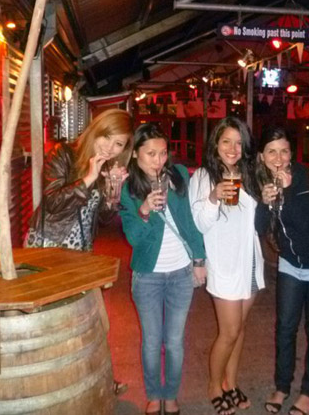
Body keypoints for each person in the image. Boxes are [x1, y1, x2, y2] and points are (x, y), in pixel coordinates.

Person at [23, 107, 133, 396]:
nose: (110, 147)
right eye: (107, 137)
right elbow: (51, 203)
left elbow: (104, 220)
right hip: (49, 247)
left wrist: (113, 194)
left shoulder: (107, 165)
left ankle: (93, 380)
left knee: (89, 318)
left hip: (81, 251)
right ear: (96, 129)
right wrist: (87, 179)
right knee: (52, 321)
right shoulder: (63, 154)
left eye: (118, 144)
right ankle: (54, 387)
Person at [255, 126, 309, 415]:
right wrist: (264, 203)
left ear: (292, 153)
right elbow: (259, 228)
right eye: (271, 152)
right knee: (285, 326)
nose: (278, 157)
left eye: (284, 151)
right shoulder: (265, 182)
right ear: (262, 157)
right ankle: (282, 386)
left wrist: (290, 190)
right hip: (291, 264)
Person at [120, 123, 206, 415]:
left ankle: (170, 394)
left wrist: (199, 260)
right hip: (148, 277)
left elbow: (189, 222)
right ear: (135, 154)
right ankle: (154, 394)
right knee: (151, 340)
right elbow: (134, 238)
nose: (159, 160)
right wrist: (144, 210)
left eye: (163, 152)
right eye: (151, 154)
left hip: (181, 273)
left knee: (175, 341)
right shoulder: (129, 188)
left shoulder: (179, 175)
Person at [189, 116, 264, 415]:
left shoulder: (249, 172)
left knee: (240, 328)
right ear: (215, 144)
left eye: (238, 143)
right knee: (229, 332)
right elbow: (200, 223)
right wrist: (213, 197)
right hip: (225, 263)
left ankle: (230, 383)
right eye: (226, 142)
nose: (232, 149)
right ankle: (213, 386)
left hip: (250, 262)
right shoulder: (203, 176)